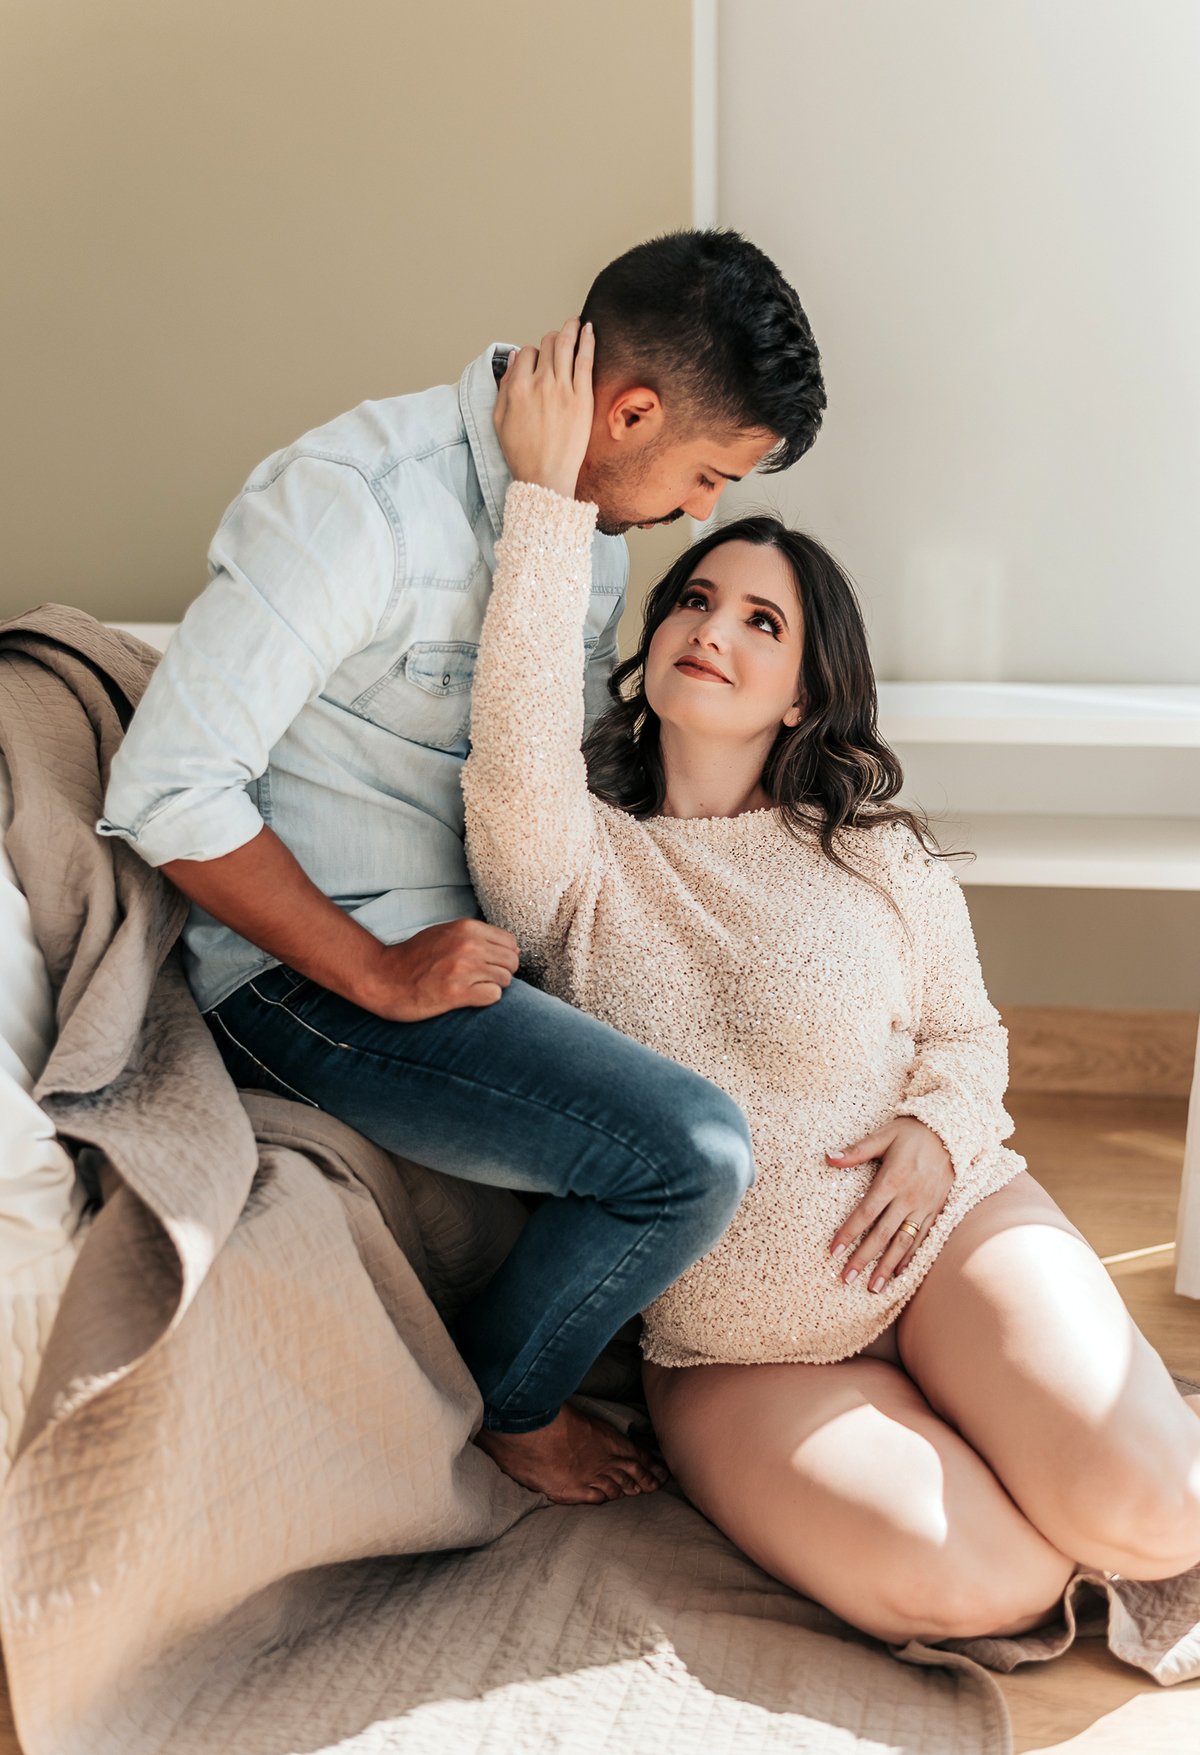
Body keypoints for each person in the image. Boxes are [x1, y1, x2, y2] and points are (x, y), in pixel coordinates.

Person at [459, 318, 1200, 1642]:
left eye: (763, 621)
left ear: (804, 693)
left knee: (1158, 1513)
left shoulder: (873, 853)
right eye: (693, 600)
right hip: (741, 1354)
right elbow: (513, 733)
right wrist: (549, 499)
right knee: (989, 1586)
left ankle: (1017, 1420)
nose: (713, 629)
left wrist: (939, 1132)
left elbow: (968, 1036)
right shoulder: (576, 858)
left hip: (950, 1242)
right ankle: (974, 1443)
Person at [99, 230, 827, 1504]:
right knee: (694, 1155)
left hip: (490, 954)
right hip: (305, 979)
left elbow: (543, 770)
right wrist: (376, 971)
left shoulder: (586, 530)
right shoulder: (359, 502)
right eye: (708, 474)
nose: (704, 512)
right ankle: (509, 1404)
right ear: (631, 413)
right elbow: (168, 787)